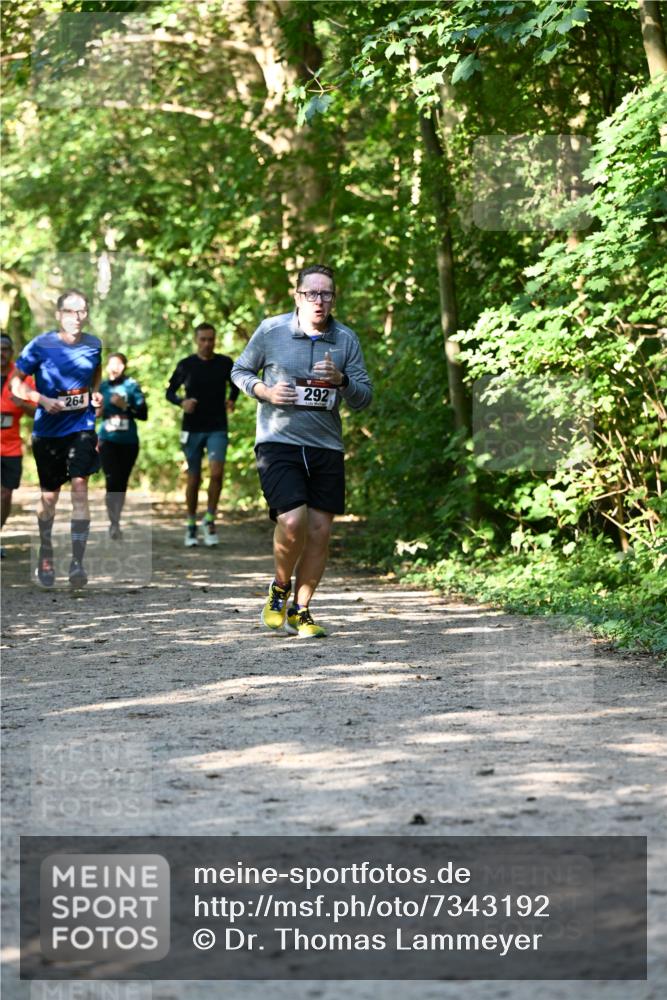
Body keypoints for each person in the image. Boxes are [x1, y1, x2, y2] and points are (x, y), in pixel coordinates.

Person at [232, 263, 372, 638]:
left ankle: (302, 609)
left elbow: (364, 397)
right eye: (311, 293)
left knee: (320, 531)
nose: (319, 301)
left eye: (326, 294)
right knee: (292, 522)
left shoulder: (346, 340)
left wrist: (341, 382)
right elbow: (240, 371)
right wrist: (265, 391)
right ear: (297, 296)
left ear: (334, 299)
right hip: (278, 441)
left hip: (326, 445)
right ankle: (280, 588)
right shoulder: (271, 331)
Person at [10, 290, 102, 588]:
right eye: (70, 311)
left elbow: (95, 372)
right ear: (59, 314)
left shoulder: (93, 344)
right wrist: (41, 399)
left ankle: (77, 563)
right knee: (49, 497)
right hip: (48, 431)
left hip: (82, 426)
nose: (77, 317)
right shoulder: (40, 345)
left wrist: (95, 394)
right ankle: (46, 551)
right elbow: (15, 384)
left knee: (79, 487)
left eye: (82, 311)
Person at [166, 322, 239, 547]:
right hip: (192, 428)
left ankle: (209, 520)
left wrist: (232, 399)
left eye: (211, 339)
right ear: (196, 340)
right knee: (194, 478)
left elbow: (236, 383)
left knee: (217, 473)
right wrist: (182, 402)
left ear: (215, 340)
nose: (207, 343)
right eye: (203, 339)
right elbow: (169, 392)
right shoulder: (186, 365)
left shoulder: (225, 363)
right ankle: (190, 524)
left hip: (217, 426)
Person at [97, 352, 148, 540]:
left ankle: (116, 520)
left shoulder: (132, 386)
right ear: (107, 367)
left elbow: (143, 414)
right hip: (107, 440)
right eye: (112, 364)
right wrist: (97, 410)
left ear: (124, 367)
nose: (115, 367)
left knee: (122, 483)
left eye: (119, 364)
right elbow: (92, 413)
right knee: (111, 479)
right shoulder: (101, 387)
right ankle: (113, 522)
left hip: (128, 442)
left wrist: (125, 405)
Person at [1, 333, 36, 557]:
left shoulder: (22, 378)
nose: (1, 354)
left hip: (11, 447)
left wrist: (22, 403)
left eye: (5, 349)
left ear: (12, 352)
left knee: (5, 495)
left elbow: (37, 411)